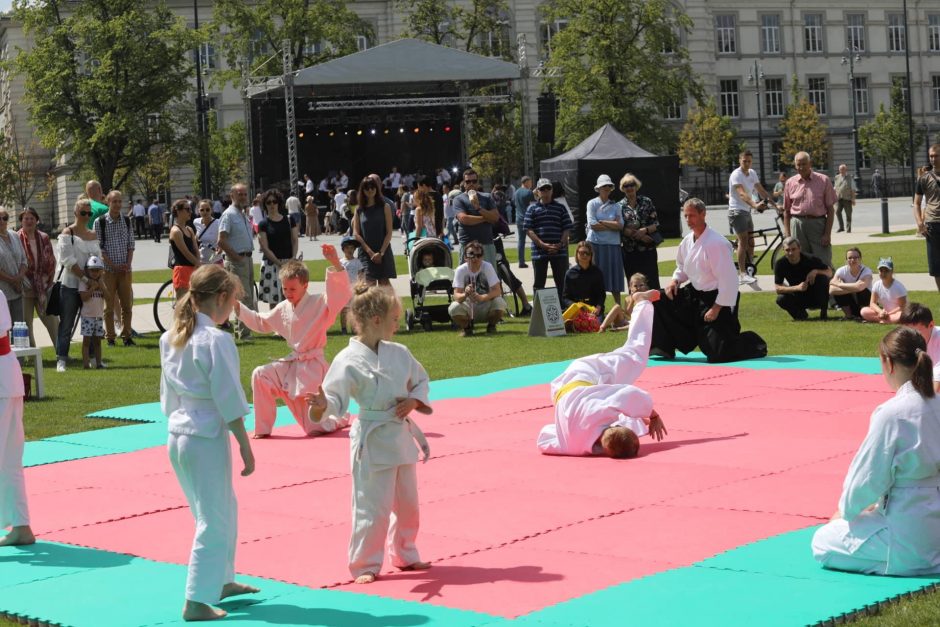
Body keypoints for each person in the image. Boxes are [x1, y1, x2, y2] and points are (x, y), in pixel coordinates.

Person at [308, 283, 432, 584]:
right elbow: (334, 401)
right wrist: (323, 404)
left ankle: (405, 553)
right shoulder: (347, 359)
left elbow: (420, 380)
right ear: (376, 320)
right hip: (372, 438)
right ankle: (364, 563)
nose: (397, 324)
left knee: (408, 505)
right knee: (371, 507)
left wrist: (414, 401)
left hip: (400, 437)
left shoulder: (399, 353)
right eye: (393, 318)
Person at [160, 265, 259, 620]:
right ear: (220, 298)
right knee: (212, 519)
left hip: (180, 434)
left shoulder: (172, 337)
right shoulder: (216, 340)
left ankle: (221, 580)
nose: (233, 307)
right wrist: (245, 445)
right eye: (233, 300)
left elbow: (167, 396)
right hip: (204, 437)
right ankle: (195, 600)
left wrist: (179, 420)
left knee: (222, 509)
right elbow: (228, 397)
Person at [812, 326, 940, 576]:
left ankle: (908, 563)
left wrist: (845, 512)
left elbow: (868, 476)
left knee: (822, 541)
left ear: (889, 364)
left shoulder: (892, 413)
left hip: (906, 531)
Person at [537, 291, 667, 457]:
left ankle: (641, 302)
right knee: (634, 360)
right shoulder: (572, 446)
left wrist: (652, 414)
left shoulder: (599, 410)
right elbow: (543, 438)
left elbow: (629, 394)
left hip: (588, 373)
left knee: (636, 356)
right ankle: (640, 303)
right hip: (560, 393)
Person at [236, 252, 350, 438]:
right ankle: (263, 429)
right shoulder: (283, 308)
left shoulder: (320, 303)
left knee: (314, 428)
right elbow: (261, 322)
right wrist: (238, 308)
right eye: (285, 289)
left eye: (292, 289)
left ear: (305, 286)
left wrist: (336, 264)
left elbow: (340, 296)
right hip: (292, 366)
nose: (288, 294)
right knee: (260, 374)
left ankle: (339, 417)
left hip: (312, 369)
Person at [650, 198, 767, 363]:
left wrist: (716, 308)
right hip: (693, 295)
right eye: (686, 216)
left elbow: (729, 281)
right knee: (659, 300)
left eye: (692, 216)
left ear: (703, 214)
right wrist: (674, 281)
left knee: (718, 353)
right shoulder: (687, 241)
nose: (689, 221)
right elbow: (682, 267)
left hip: (715, 298)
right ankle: (663, 348)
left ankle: (752, 342)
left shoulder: (716, 243)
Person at [55, 199, 102, 372]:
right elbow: (68, 261)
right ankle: (61, 358)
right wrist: (86, 279)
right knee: (67, 323)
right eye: (83, 213)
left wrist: (97, 280)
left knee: (90, 320)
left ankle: (91, 358)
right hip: (71, 285)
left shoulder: (93, 234)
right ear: (75, 213)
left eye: (89, 213)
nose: (86, 216)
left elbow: (98, 260)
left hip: (90, 286)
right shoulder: (67, 233)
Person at [0, 290, 31, 547]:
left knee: (9, 460)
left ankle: (21, 527)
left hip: (3, 382)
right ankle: (21, 526)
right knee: (10, 460)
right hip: (9, 378)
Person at [94, 190, 135, 347]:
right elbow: (100, 249)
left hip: (125, 271)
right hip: (108, 271)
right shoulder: (101, 222)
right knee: (109, 306)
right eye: (114, 201)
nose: (117, 204)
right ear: (108, 203)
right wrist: (113, 265)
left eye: (119, 201)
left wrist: (128, 264)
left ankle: (127, 335)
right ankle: (110, 337)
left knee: (127, 305)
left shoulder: (127, 220)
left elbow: (131, 244)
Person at [728, 151, 776, 285]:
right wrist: (755, 205)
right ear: (739, 160)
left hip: (746, 211)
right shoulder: (736, 175)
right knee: (743, 241)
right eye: (744, 161)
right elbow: (742, 194)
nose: (747, 163)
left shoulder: (752, 173)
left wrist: (775, 205)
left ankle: (749, 268)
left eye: (749, 161)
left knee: (751, 241)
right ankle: (742, 274)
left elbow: (761, 190)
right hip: (736, 211)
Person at [783, 151, 836, 268]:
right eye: (798, 165)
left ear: (810, 163)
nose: (801, 167)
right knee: (799, 261)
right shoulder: (790, 183)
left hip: (818, 224)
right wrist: (787, 236)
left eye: (804, 164)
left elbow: (830, 210)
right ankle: (803, 286)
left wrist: (827, 234)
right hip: (797, 224)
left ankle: (826, 284)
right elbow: (786, 211)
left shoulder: (823, 180)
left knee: (823, 260)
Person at [217, 183, 255, 340]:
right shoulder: (229, 215)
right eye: (240, 194)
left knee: (249, 295)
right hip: (237, 261)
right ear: (232, 196)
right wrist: (236, 257)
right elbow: (221, 241)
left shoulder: (242, 214)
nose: (243, 197)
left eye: (245, 194)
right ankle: (243, 333)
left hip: (247, 259)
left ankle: (247, 330)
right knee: (242, 297)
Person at [524, 177, 572, 301]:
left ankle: (563, 309)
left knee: (562, 283)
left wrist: (560, 244)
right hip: (539, 252)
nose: (545, 191)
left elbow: (567, 227)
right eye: (542, 189)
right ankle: (538, 313)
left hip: (559, 251)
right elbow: (529, 230)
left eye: (548, 188)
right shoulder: (532, 208)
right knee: (539, 284)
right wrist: (542, 244)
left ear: (552, 190)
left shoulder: (560, 207)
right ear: (538, 192)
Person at [447, 240, 508, 336]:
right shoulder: (460, 270)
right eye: (471, 255)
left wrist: (482, 297)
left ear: (482, 257)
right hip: (467, 306)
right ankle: (467, 328)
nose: (475, 258)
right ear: (465, 257)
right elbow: (456, 296)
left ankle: (491, 326)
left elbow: (497, 291)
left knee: (500, 302)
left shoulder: (487, 267)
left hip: (486, 304)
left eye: (478, 255)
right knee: (453, 308)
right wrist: (465, 294)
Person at [17, 207, 58, 347]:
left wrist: (49, 280)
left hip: (43, 286)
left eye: (31, 218)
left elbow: (51, 260)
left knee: (51, 319)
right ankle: (30, 355)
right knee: (26, 323)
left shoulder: (44, 237)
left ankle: (61, 351)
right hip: (25, 287)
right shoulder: (16, 238)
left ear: (37, 220)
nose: (29, 221)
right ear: (21, 221)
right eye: (25, 218)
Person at [585, 175, 624, 306]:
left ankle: (618, 309)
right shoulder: (592, 203)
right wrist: (612, 223)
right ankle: (595, 308)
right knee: (594, 277)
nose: (606, 188)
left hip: (613, 245)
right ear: (598, 188)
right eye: (603, 186)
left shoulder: (616, 206)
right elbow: (592, 225)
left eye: (609, 186)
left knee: (615, 278)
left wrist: (602, 221)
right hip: (595, 244)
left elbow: (620, 226)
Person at [256, 189, 299, 307]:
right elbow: (264, 247)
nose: (272, 205)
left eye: (274, 201)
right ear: (265, 205)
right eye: (268, 202)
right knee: (274, 301)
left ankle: (290, 325)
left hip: (289, 262)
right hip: (271, 264)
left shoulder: (290, 220)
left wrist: (293, 259)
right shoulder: (263, 224)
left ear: (279, 203)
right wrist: (278, 263)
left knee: (291, 298)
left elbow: (295, 240)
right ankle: (275, 325)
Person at [773, 237, 833, 321]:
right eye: (787, 250)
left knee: (822, 278)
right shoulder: (780, 264)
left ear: (799, 248)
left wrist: (816, 271)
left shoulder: (811, 259)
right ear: (783, 250)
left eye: (794, 249)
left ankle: (823, 313)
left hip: (815, 295)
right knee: (780, 299)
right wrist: (796, 288)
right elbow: (778, 288)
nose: (791, 253)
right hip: (798, 295)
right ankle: (800, 315)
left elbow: (829, 272)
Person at [619, 173, 662, 290]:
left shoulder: (646, 201)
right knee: (633, 283)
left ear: (636, 186)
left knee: (652, 281)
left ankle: (656, 308)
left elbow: (656, 224)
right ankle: (635, 308)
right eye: (626, 186)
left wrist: (644, 230)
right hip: (630, 251)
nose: (629, 188)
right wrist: (638, 235)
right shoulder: (619, 206)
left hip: (648, 249)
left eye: (631, 185)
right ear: (623, 188)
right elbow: (620, 228)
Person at [353, 177, 396, 286]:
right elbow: (356, 234)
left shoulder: (385, 207)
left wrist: (380, 253)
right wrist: (370, 252)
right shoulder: (359, 209)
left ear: (377, 189)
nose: (370, 190)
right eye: (367, 188)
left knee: (384, 286)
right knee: (368, 287)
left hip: (383, 251)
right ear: (362, 191)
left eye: (372, 187)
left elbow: (389, 233)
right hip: (366, 253)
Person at [453, 168, 499, 266]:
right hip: (467, 245)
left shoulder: (487, 197)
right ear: (464, 183)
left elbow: (495, 217)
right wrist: (486, 218)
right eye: (468, 181)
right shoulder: (458, 199)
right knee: (466, 279)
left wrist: (479, 208)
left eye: (474, 181)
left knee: (489, 279)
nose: (471, 184)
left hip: (486, 244)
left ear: (478, 183)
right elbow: (464, 219)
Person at [913, 144, 940, 292]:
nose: (933, 159)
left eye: (936, 156)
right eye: (931, 156)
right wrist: (920, 223)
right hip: (932, 225)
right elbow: (916, 203)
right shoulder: (924, 179)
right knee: (936, 267)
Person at [899, 302, 940, 393]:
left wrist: (928, 403)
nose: (911, 337)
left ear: (931, 325)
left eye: (916, 332)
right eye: (906, 331)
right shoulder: (906, 339)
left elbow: (938, 376)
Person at [167, 199, 201, 301]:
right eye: (187, 209)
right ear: (178, 211)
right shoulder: (175, 231)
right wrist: (198, 264)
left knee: (194, 306)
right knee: (184, 308)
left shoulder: (189, 229)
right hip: (182, 271)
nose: (190, 212)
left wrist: (197, 263)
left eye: (190, 209)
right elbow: (185, 252)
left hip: (193, 269)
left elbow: (195, 249)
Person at [563, 241, 606, 320]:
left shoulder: (597, 272)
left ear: (591, 255)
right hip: (576, 310)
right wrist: (577, 307)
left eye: (587, 253)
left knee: (595, 325)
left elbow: (602, 295)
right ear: (577, 254)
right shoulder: (570, 273)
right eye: (582, 253)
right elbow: (565, 298)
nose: (585, 255)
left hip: (594, 310)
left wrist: (598, 307)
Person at [78, 256, 107, 369]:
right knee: (86, 341)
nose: (94, 273)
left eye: (97, 270)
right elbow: (84, 298)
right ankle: (86, 364)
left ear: (101, 271)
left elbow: (109, 298)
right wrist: (92, 288)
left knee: (98, 342)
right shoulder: (84, 283)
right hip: (87, 316)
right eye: (92, 270)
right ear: (87, 270)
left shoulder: (102, 283)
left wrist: (101, 286)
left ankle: (99, 363)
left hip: (98, 316)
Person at [830, 247, 873, 320]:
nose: (852, 260)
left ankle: (864, 316)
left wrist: (840, 285)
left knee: (863, 291)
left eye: (856, 257)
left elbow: (860, 287)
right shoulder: (841, 271)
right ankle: (849, 315)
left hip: (866, 304)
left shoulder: (866, 271)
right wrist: (854, 288)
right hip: (852, 303)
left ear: (860, 259)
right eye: (850, 258)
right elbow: (831, 290)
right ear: (846, 260)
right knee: (838, 292)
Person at [0, 206, 26, 324]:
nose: (2, 221)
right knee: (4, 329)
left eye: (4, 218)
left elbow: (24, 260)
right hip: (2, 292)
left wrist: (19, 278)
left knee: (19, 328)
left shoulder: (14, 235)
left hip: (18, 290)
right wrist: (13, 281)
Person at [861, 258, 907, 324]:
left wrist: (888, 314)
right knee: (864, 311)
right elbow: (872, 303)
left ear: (892, 272)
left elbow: (902, 307)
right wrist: (880, 312)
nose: (883, 273)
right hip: (884, 311)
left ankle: (881, 320)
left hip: (896, 312)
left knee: (900, 316)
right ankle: (884, 320)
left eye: (886, 271)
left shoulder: (898, 287)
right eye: (881, 271)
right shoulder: (877, 284)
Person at [340, 237, 363, 334]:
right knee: (344, 309)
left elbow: (361, 274)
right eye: (348, 248)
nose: (350, 250)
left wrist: (361, 284)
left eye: (352, 248)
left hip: (354, 289)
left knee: (354, 309)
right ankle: (344, 328)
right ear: (343, 249)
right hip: (343, 290)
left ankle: (354, 328)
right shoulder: (341, 262)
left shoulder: (357, 262)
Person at [513, 176, 534, 268]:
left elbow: (514, 203)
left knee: (521, 241)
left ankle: (521, 261)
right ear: (525, 182)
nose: (531, 184)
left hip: (519, 218)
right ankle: (535, 259)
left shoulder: (516, 192)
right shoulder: (529, 192)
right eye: (530, 182)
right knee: (535, 239)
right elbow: (534, 202)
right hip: (528, 218)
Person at [194, 200, 220, 265]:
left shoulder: (218, 222)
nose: (205, 212)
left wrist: (221, 248)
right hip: (201, 261)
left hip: (215, 260)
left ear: (211, 210)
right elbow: (196, 238)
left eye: (207, 209)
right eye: (202, 210)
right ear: (198, 210)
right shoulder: (196, 222)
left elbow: (223, 239)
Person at [833, 164, 856, 233]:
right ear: (839, 170)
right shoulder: (837, 177)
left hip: (847, 199)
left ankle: (848, 228)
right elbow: (835, 188)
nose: (842, 170)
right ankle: (841, 227)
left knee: (848, 214)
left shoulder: (850, 177)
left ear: (846, 170)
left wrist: (853, 199)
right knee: (837, 212)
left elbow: (853, 189)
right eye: (840, 169)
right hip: (838, 198)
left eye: (843, 169)